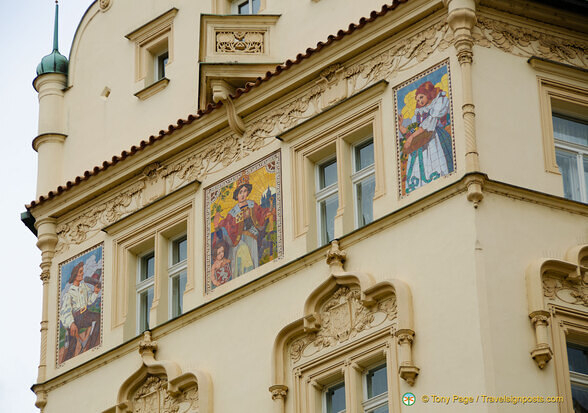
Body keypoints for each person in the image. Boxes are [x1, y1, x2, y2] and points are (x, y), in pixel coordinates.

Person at [398, 80, 453, 194]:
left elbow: (426, 126)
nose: (420, 101)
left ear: (428, 94)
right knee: (418, 165)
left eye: (421, 97)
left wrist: (411, 137)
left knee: (435, 161)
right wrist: (400, 126)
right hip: (420, 141)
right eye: (417, 100)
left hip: (434, 138)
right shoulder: (419, 113)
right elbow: (413, 130)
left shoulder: (437, 105)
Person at [212, 173, 272, 277]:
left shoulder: (252, 204)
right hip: (238, 241)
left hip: (252, 237)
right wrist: (217, 225)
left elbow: (261, 214)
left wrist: (270, 208)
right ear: (236, 195)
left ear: (248, 192)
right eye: (240, 192)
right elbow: (226, 227)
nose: (243, 194)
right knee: (242, 259)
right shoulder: (232, 212)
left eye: (245, 191)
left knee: (253, 261)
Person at [59, 261, 101, 362]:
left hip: (86, 314)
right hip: (75, 319)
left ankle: (92, 346)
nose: (82, 273)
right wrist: (71, 324)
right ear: (75, 275)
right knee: (71, 346)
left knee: (100, 317)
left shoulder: (84, 287)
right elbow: (65, 311)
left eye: (82, 271)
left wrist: (95, 292)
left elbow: (90, 300)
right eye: (81, 272)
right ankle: (67, 364)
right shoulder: (69, 293)